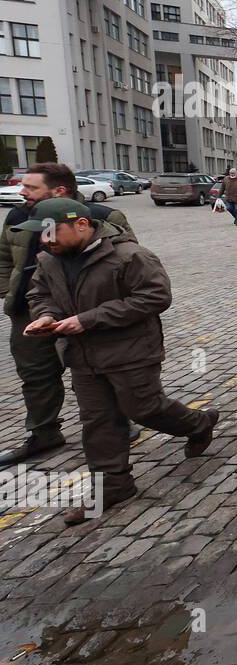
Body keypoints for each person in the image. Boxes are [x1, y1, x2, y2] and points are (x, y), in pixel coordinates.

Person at [20, 198, 219, 525]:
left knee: (143, 408)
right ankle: (113, 484)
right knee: (97, 421)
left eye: (52, 233)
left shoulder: (128, 256)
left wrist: (90, 319)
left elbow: (156, 296)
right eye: (42, 235)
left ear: (82, 225)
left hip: (130, 352)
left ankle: (198, 424)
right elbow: (39, 294)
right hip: (82, 356)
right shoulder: (49, 261)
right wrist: (46, 316)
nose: (46, 241)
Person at [0, 164, 133, 466]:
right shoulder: (20, 216)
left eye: (31, 187)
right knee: (35, 375)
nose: (22, 192)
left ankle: (116, 425)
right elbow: (5, 257)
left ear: (59, 190)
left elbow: (128, 262)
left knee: (96, 372)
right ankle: (43, 433)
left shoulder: (102, 216)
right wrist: (9, 291)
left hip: (85, 313)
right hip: (30, 311)